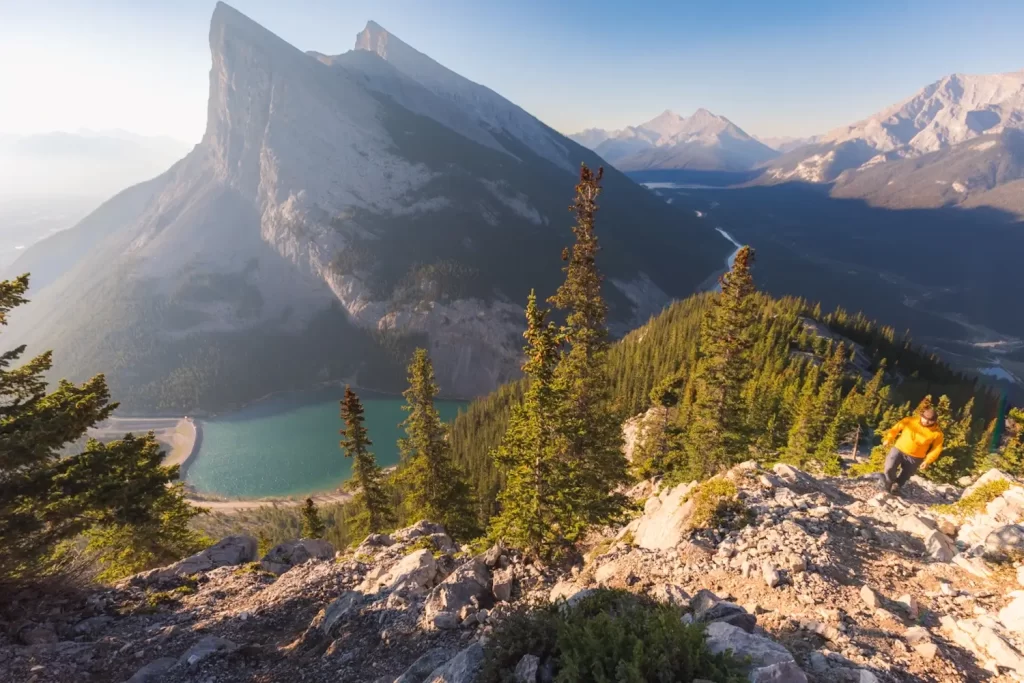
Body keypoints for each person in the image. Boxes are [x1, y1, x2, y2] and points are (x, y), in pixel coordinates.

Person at [881, 407, 944, 496]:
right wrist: (889, 438)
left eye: (929, 421)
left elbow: (936, 448)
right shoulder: (910, 421)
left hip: (916, 457)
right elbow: (896, 428)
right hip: (899, 448)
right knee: (889, 467)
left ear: (934, 421)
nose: (926, 421)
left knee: (906, 474)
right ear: (921, 416)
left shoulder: (937, 434)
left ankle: (896, 487)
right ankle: (888, 483)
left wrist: (927, 461)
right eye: (925, 418)